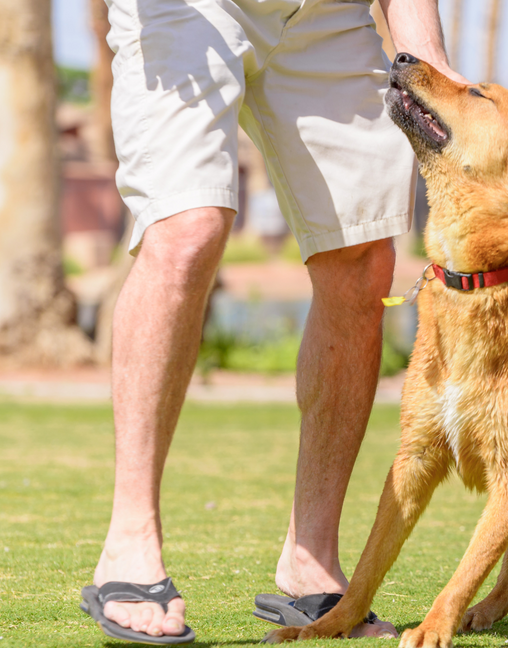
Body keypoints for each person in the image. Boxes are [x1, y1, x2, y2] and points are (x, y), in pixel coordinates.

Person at [79, 0, 467, 643]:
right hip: (186, 10)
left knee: (363, 257)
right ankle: (129, 541)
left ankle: (311, 560)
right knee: (187, 227)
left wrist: (426, 64)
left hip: (326, 14)